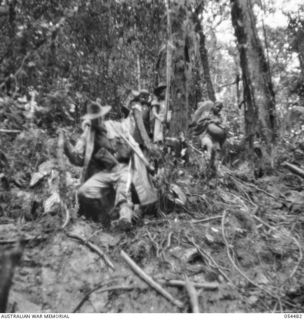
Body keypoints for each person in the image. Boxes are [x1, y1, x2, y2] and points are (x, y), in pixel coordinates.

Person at [63, 100, 157, 230]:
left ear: (102, 116)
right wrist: (67, 149)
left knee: (123, 190)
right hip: (102, 173)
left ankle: (125, 217)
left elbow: (134, 147)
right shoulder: (88, 135)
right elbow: (78, 160)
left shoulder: (116, 127)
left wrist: (144, 164)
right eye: (94, 118)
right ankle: (104, 216)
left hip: (122, 168)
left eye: (98, 117)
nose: (97, 120)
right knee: (83, 192)